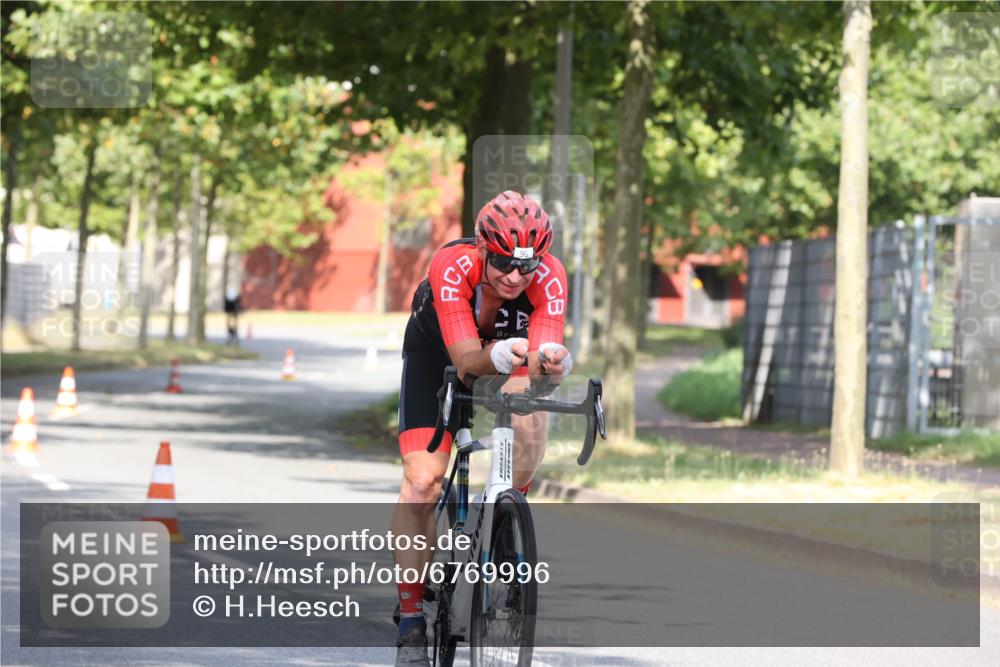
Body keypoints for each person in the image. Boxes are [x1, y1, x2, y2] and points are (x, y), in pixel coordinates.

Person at [391, 190, 573, 666]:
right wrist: (493, 355)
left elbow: (540, 361)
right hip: (442, 354)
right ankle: (411, 617)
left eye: (526, 266)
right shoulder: (452, 264)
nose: (515, 277)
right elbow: (465, 360)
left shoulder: (549, 276)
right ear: (482, 250)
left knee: (531, 413)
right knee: (422, 482)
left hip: (503, 353)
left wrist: (551, 365)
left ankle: (511, 513)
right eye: (502, 264)